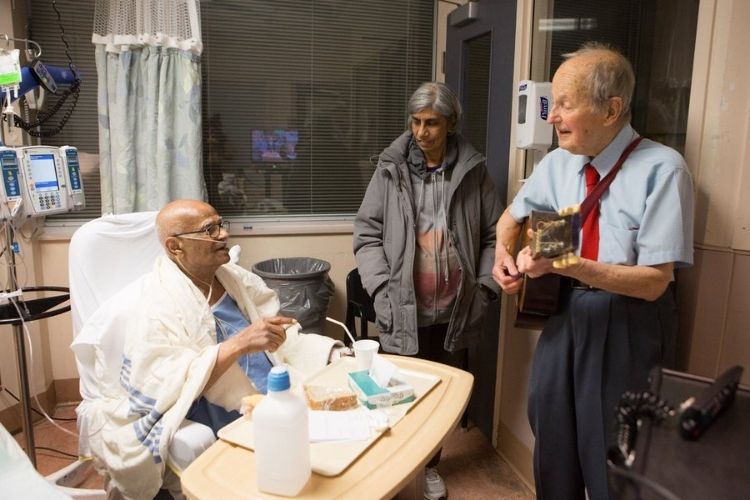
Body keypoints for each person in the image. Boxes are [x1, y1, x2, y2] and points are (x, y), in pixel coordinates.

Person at [492, 43, 694, 500]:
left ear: (611, 109)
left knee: (616, 458)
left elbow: (656, 281)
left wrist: (568, 263)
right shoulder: (556, 164)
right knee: (552, 446)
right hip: (564, 316)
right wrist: (503, 255)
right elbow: (510, 219)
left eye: (566, 103)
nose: (552, 116)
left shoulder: (664, 169)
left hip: (628, 322)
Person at [80, 199, 345, 499]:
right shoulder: (155, 306)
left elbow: (278, 332)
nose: (223, 235)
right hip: (222, 407)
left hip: (276, 387)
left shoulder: (234, 278)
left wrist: (314, 348)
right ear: (175, 246)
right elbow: (168, 383)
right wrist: (239, 344)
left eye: (220, 224)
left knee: (344, 440)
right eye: (210, 229)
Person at [354, 81, 503, 500]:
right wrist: (381, 287)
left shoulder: (473, 172)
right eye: (416, 122)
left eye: (432, 123)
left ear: (451, 124)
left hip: (455, 309)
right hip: (403, 306)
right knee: (400, 394)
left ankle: (429, 467)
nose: (421, 132)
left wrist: (487, 286)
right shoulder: (390, 170)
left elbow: (494, 233)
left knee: (441, 399)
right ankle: (400, 469)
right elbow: (367, 233)